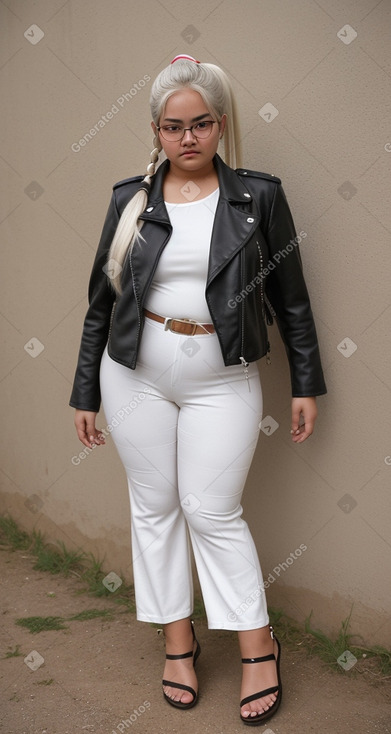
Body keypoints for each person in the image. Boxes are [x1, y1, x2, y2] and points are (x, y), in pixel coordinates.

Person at [70, 53, 326, 726]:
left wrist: (305, 382)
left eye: (201, 124)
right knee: (154, 506)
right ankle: (177, 641)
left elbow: (291, 300)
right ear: (155, 129)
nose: (188, 138)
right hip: (133, 378)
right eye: (172, 126)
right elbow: (101, 302)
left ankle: (255, 645)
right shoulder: (130, 199)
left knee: (210, 509)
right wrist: (85, 391)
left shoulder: (257, 198)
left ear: (219, 125)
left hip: (225, 379)